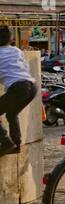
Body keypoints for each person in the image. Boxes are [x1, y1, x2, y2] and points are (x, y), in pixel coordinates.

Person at [0, 26, 37, 156]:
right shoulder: (16, 51)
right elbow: (23, 68)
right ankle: (16, 145)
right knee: (11, 114)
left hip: (18, 88)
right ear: (11, 39)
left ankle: (6, 142)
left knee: (10, 113)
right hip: (32, 87)